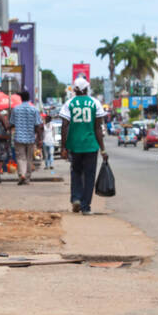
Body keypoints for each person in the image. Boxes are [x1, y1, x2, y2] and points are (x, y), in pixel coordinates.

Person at [59, 77, 108, 214]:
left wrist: (63, 147)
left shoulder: (69, 104)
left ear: (75, 90)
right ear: (87, 89)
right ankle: (86, 207)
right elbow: (98, 128)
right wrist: (103, 149)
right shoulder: (95, 103)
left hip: (74, 145)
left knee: (76, 172)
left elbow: (64, 126)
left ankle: (76, 198)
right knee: (89, 176)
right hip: (91, 145)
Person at [9, 90, 42, 185]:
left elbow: (11, 123)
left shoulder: (16, 109)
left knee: (20, 158)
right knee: (29, 159)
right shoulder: (34, 109)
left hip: (19, 137)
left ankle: (21, 175)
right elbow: (38, 126)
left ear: (21, 98)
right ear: (28, 98)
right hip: (31, 138)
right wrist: (39, 139)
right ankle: (27, 178)